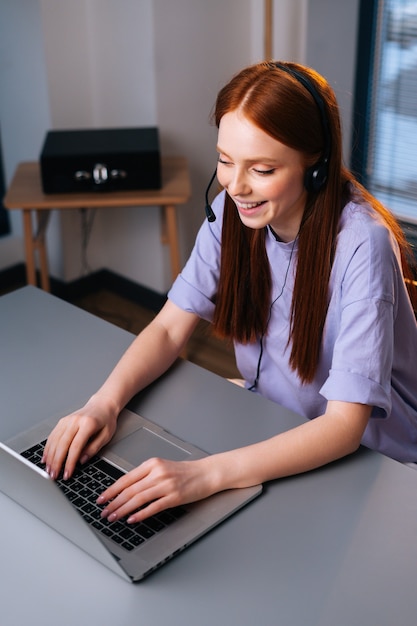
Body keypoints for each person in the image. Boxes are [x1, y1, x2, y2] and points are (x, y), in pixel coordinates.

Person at [43, 61, 417, 526]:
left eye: (261, 169)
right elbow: (166, 329)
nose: (236, 186)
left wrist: (206, 475)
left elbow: (344, 428)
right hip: (275, 420)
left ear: (316, 167)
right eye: (225, 160)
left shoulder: (363, 242)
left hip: (375, 460)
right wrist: (102, 403)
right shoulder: (234, 213)